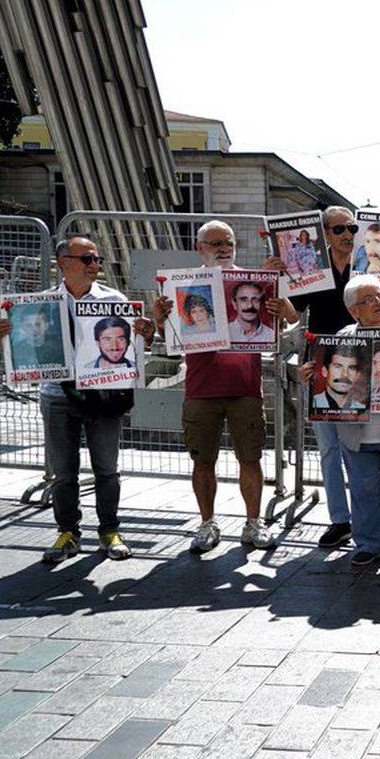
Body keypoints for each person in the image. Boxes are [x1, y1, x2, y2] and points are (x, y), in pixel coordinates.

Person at [0, 236, 154, 562]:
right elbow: (24, 347)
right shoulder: (39, 304)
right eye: (87, 259)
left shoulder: (114, 299)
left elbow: (137, 347)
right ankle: (67, 533)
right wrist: (5, 334)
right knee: (64, 472)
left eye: (97, 260)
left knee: (107, 468)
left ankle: (110, 531)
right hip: (56, 395)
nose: (94, 265)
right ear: (64, 261)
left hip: (103, 394)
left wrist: (145, 334)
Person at [265, 206, 380, 551]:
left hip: (370, 368)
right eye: (338, 229)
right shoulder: (313, 269)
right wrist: (279, 281)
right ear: (324, 235)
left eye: (351, 227)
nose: (347, 234)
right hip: (325, 368)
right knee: (331, 450)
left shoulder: (372, 265)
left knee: (374, 448)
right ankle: (340, 520)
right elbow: (291, 315)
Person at [154, 220, 297, 554]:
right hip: (201, 388)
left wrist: (282, 298)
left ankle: (253, 523)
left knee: (251, 458)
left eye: (228, 242)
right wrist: (161, 318)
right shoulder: (183, 286)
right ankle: (207, 524)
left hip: (245, 387)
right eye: (215, 242)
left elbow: (288, 319)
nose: (222, 248)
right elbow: (169, 340)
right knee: (202, 461)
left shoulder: (254, 281)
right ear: (199, 248)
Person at [299, 275, 380, 568]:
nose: (378, 303)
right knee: (362, 493)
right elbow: (325, 380)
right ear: (353, 311)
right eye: (368, 300)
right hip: (356, 435)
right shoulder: (341, 339)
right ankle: (370, 545)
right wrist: (307, 378)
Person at [311, 344, 367, 411]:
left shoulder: (363, 410)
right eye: (338, 366)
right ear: (325, 371)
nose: (345, 374)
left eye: (351, 368)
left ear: (357, 375)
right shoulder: (311, 404)